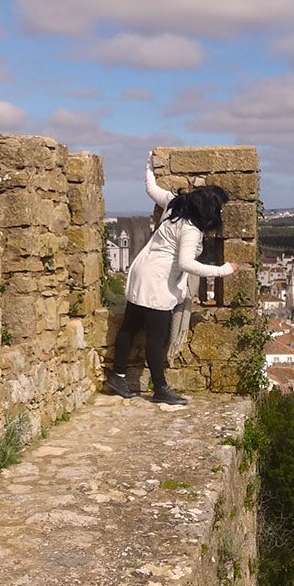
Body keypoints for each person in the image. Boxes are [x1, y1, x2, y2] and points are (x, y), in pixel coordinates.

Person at [104, 152, 237, 405]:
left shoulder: (174, 205)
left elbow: (150, 188)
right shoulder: (191, 230)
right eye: (219, 208)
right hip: (158, 282)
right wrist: (223, 270)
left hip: (141, 272)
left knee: (129, 328)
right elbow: (186, 263)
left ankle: (117, 376)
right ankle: (160, 389)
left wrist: (149, 164)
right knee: (156, 339)